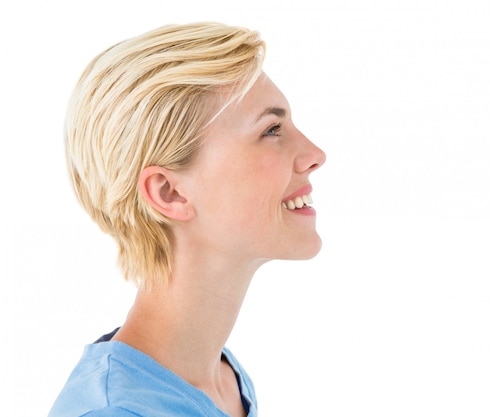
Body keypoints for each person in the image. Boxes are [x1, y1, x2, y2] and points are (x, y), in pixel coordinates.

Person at [48, 22, 326, 417]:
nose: (315, 154)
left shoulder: (225, 380)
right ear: (170, 193)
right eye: (272, 130)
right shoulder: (117, 412)